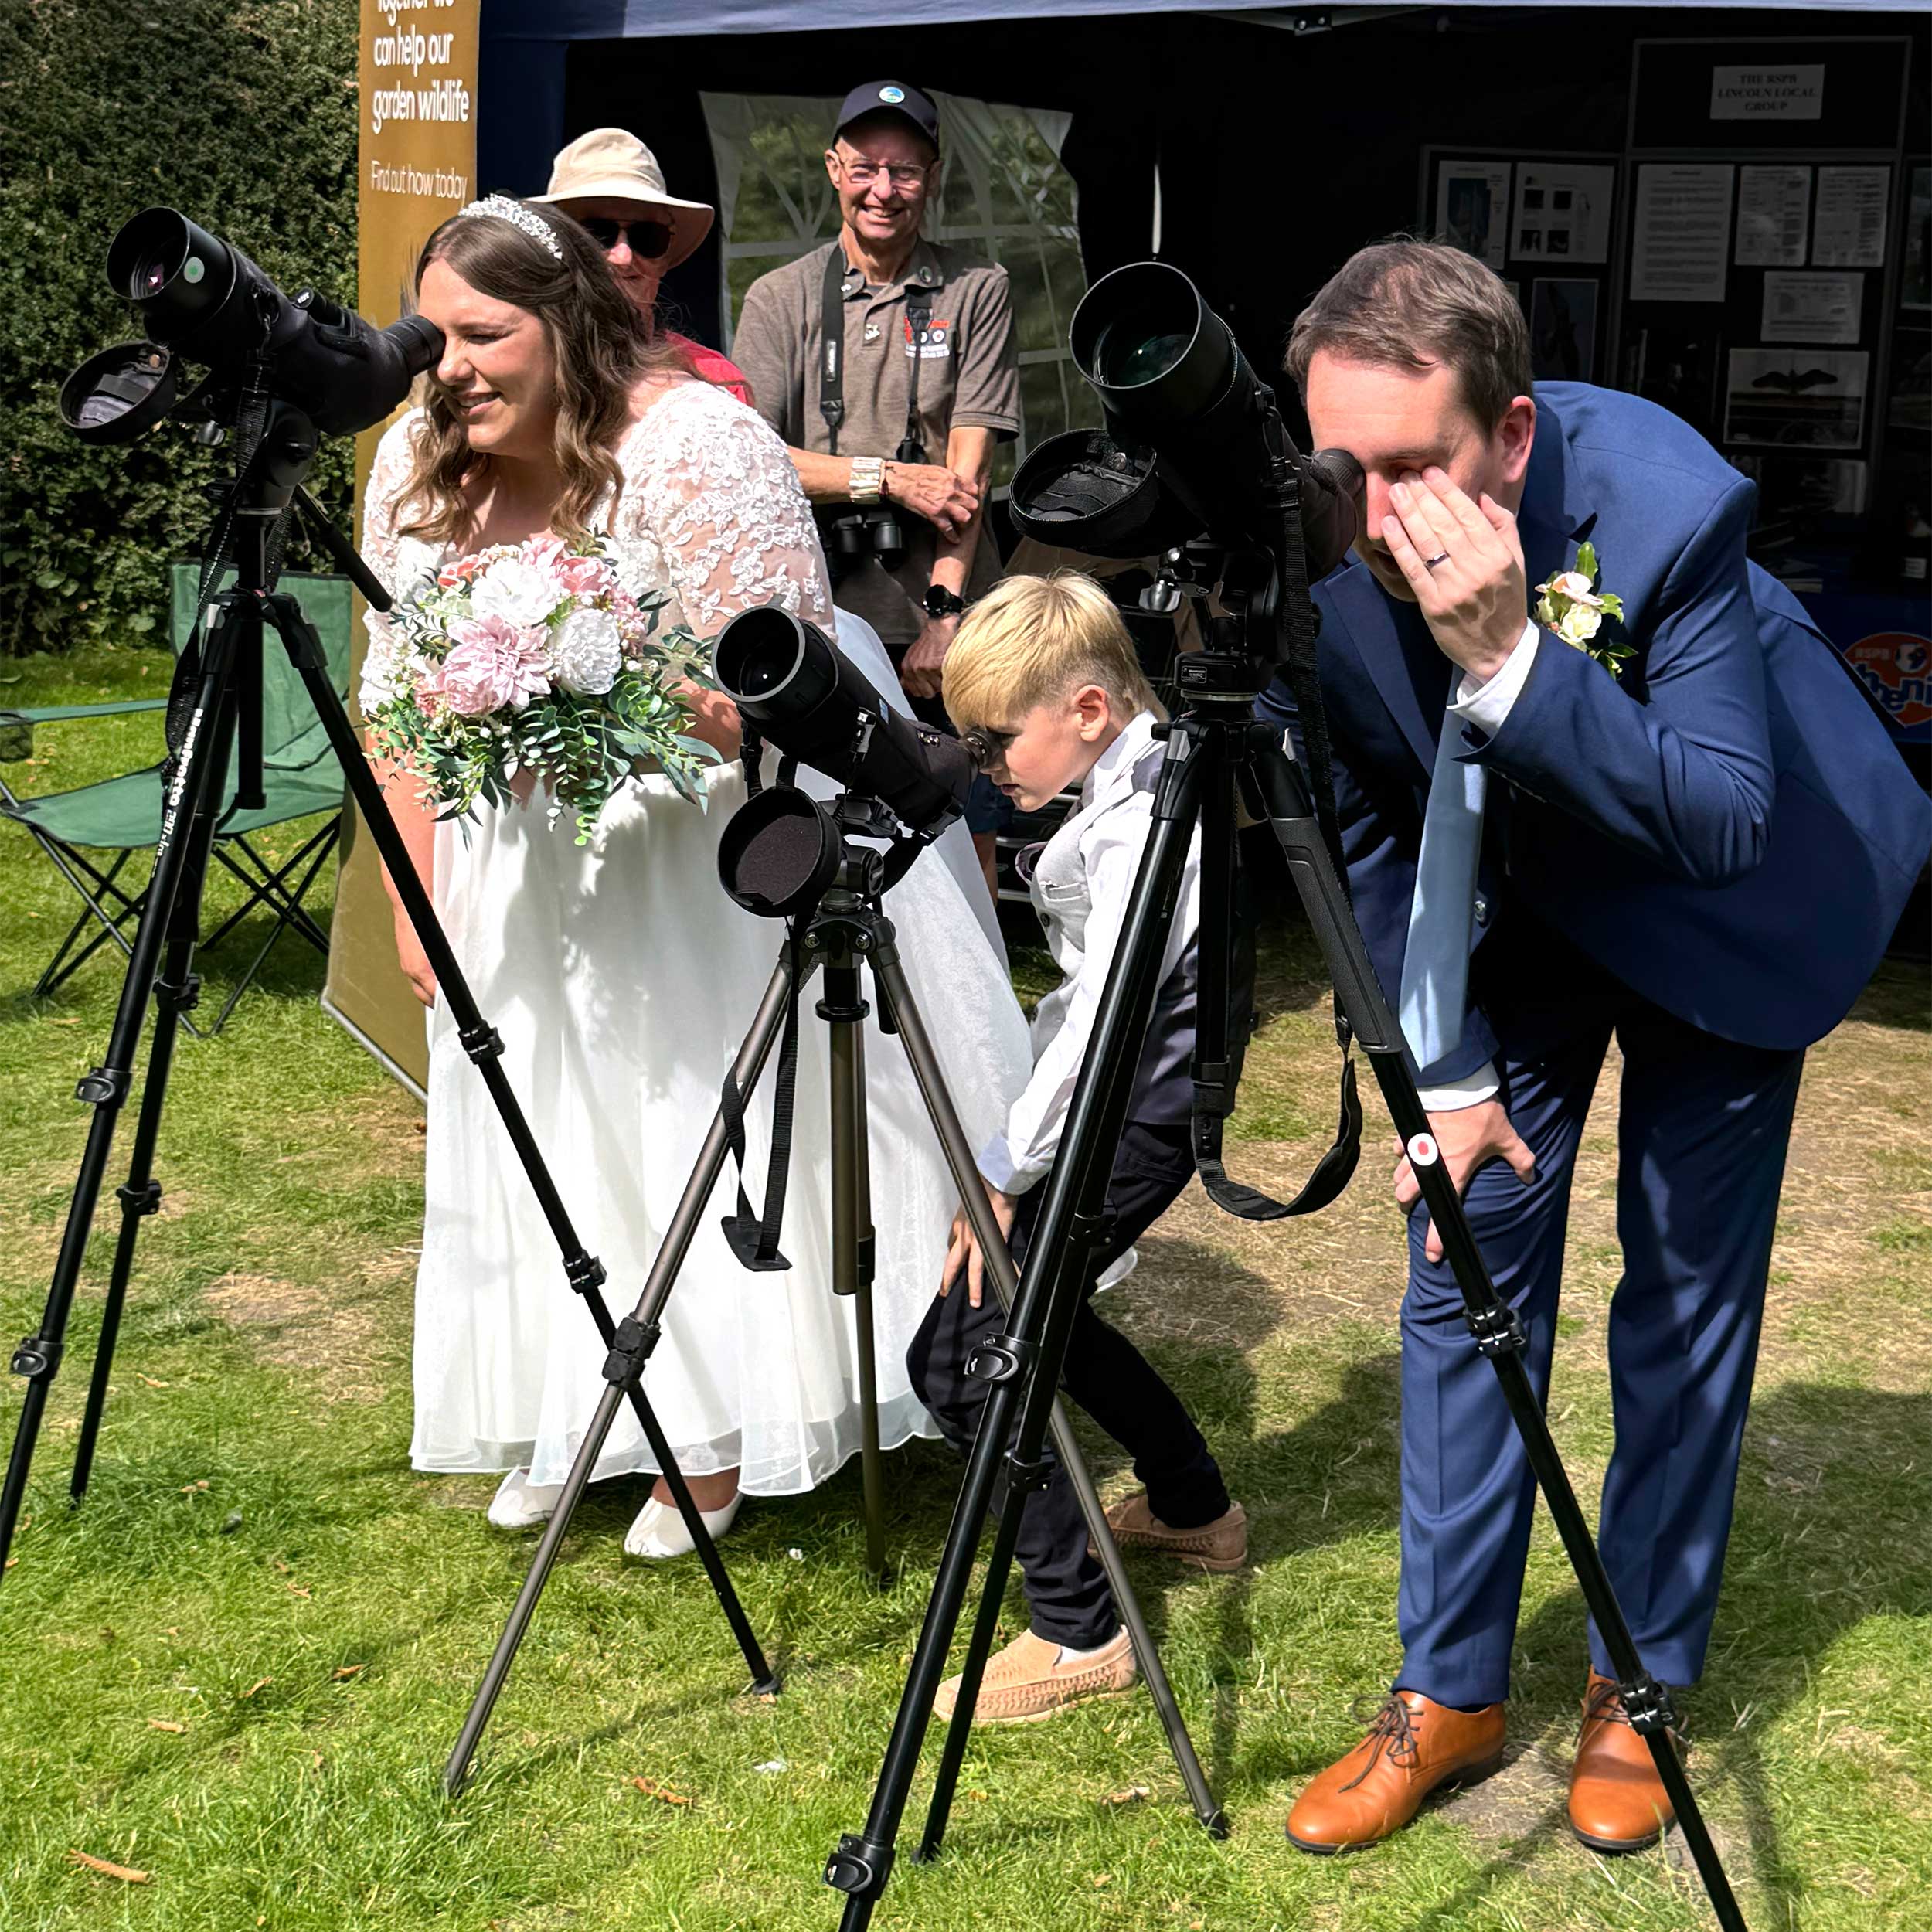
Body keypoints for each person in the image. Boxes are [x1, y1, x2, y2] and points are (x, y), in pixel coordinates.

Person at [1257, 241, 1931, 1855]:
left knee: (1683, 1293)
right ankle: (1446, 1685)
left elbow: (1715, 811)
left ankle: (1636, 1674)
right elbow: (1356, 814)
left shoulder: (1662, 506)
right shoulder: (1329, 535)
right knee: (1460, 1262)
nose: (1373, 512)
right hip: (1521, 907)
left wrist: (1504, 658)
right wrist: (1445, 1062)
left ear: (1510, 432)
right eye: (1340, 462)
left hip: (1731, 898)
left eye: (1414, 464)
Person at [361, 196, 1030, 1559]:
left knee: (682, 1124)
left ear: (568, 328)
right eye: (435, 337)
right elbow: (388, 699)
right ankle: (579, 1409)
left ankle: (711, 1435)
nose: (453, 368)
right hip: (507, 854)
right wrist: (413, 892)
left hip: (691, 848)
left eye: (486, 337)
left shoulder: (696, 445)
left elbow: (787, 689)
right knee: (542, 1121)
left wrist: (580, 671)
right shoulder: (410, 460)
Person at [905, 572, 1248, 1724]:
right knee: (1049, 1313)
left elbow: (1107, 1014)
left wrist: (1009, 1163)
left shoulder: (1145, 815)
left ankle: (1075, 1628)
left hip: (1133, 1103)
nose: (989, 762)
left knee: (961, 1353)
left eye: (998, 738)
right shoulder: (1145, 775)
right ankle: (1195, 1507)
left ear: (1090, 709)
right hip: (1132, 1093)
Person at [730, 79, 1019, 889]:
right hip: (821, 605)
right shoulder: (780, 297)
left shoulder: (976, 289)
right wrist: (885, 478)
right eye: (865, 168)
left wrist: (945, 614)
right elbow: (755, 459)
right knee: (819, 812)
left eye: (905, 171)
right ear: (832, 169)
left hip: (942, 604)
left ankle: (964, 1002)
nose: (882, 191)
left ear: (933, 174)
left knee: (965, 820)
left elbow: (967, 474)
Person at [534, 126, 753, 405]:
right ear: (555, 247)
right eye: (597, 235)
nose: (623, 256)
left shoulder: (716, 381)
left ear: (665, 259)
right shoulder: (514, 368)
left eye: (648, 237)